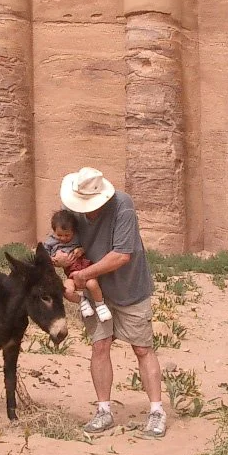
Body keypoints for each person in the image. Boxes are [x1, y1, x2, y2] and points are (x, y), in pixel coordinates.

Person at [52, 166, 166, 437]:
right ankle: (103, 410)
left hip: (129, 288)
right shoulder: (72, 208)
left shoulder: (123, 206)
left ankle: (157, 411)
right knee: (100, 346)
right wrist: (58, 258)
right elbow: (57, 239)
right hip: (95, 292)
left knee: (142, 348)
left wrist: (82, 275)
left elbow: (121, 255)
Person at [44, 209, 113, 322]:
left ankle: (100, 305)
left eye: (67, 235)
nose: (63, 238)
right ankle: (82, 302)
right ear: (54, 231)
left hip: (86, 270)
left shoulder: (78, 237)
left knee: (92, 284)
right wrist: (52, 259)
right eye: (59, 235)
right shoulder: (51, 242)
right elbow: (44, 254)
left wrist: (80, 250)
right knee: (66, 290)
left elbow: (87, 247)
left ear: (73, 231)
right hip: (71, 274)